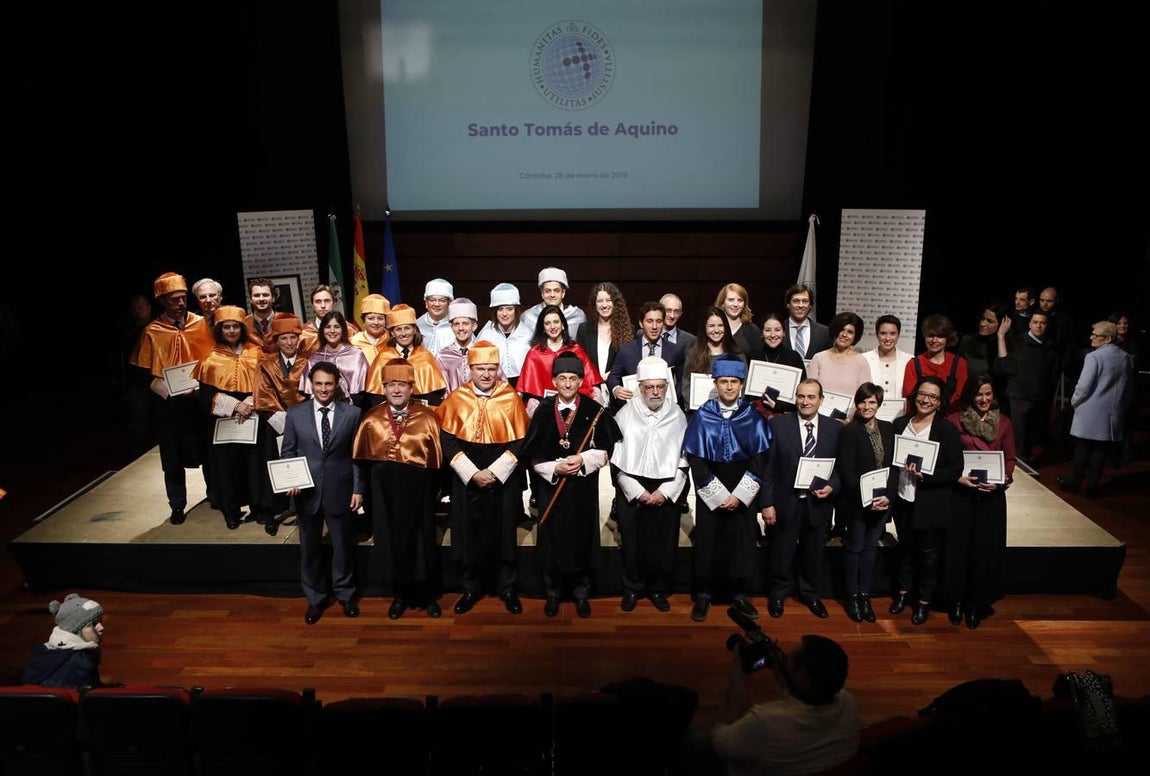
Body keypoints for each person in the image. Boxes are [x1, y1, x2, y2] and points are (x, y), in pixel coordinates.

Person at [436, 341, 531, 616]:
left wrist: (495, 472)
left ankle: (507, 588)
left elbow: (519, 441)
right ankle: (470, 588)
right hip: (467, 479)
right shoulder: (457, 398)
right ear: (470, 369)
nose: (486, 374)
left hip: (502, 480)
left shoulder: (510, 397)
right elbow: (448, 440)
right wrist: (473, 473)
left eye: (491, 368)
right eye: (480, 369)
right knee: (467, 535)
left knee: (504, 533)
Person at [522, 352, 618, 618]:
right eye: (562, 378)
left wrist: (582, 459)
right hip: (551, 489)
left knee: (582, 537)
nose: (567, 384)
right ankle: (552, 592)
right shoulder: (543, 411)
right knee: (552, 538)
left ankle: (581, 592)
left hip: (582, 489)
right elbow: (532, 456)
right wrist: (555, 468)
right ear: (553, 381)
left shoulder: (594, 411)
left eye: (573, 378)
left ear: (581, 381)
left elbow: (607, 450)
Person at [353, 358, 444, 619]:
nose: (396, 390)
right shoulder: (371, 419)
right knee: (391, 541)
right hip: (384, 491)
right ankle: (400, 595)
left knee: (423, 540)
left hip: (420, 490)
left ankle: (428, 594)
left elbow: (438, 462)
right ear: (383, 388)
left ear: (411, 388)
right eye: (391, 384)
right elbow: (361, 461)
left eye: (402, 384)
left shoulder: (428, 417)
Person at [682, 356, 771, 622]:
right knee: (708, 541)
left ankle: (739, 594)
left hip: (742, 491)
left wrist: (740, 495)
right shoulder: (702, 415)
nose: (729, 387)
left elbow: (759, 460)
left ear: (742, 384)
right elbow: (696, 458)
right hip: (711, 490)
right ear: (715, 384)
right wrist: (717, 493)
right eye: (724, 382)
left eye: (734, 382)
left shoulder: (753, 417)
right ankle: (704, 594)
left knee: (741, 542)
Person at [281, 361, 365, 624]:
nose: (323, 389)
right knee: (309, 549)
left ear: (337, 384)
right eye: (318, 383)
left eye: (328, 384)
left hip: (340, 489)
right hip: (307, 491)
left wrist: (358, 488)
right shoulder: (295, 413)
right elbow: (288, 451)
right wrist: (290, 480)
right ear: (310, 384)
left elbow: (357, 456)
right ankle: (315, 598)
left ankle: (345, 594)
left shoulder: (353, 413)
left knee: (343, 547)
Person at [703, 634, 859, 776]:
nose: (786, 659)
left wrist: (738, 675)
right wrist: (782, 669)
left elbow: (719, 741)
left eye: (790, 658)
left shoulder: (766, 722)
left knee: (697, 744)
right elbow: (806, 689)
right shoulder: (849, 703)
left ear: (803, 675)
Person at [128, 271, 214, 525]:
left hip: (199, 400)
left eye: (183, 298)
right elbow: (142, 374)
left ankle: (215, 495)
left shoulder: (201, 324)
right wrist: (166, 389)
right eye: (174, 299)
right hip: (170, 406)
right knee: (173, 457)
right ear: (162, 301)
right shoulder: (152, 332)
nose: (181, 303)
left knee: (208, 451)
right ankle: (177, 504)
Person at [611, 356, 690, 613]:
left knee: (663, 541)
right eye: (650, 387)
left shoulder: (677, 415)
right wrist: (638, 492)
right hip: (634, 490)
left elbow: (683, 462)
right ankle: (632, 588)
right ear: (640, 387)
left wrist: (664, 493)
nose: (655, 392)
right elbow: (617, 462)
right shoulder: (624, 415)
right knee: (632, 541)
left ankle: (658, 588)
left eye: (660, 387)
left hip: (665, 489)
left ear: (667, 386)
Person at [761, 378, 842, 620]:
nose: (805, 402)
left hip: (818, 503)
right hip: (786, 501)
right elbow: (768, 468)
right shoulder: (778, 424)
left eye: (811, 397)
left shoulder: (835, 428)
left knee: (813, 553)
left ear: (821, 400)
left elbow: (841, 468)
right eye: (801, 396)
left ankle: (810, 593)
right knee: (781, 551)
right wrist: (767, 503)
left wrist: (832, 486)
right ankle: (778, 594)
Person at [889, 375, 964, 625]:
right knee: (905, 549)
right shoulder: (900, 424)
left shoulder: (946, 430)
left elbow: (955, 470)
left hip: (930, 504)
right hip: (903, 499)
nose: (926, 400)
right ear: (914, 396)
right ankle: (902, 594)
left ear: (940, 402)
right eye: (922, 394)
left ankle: (923, 602)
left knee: (928, 556)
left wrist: (927, 475)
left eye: (933, 397)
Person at [945, 374, 1016, 629]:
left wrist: (1001, 480)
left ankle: (976, 602)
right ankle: (955, 600)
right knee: (957, 548)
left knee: (984, 550)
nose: (983, 399)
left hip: (991, 497)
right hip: (961, 494)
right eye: (978, 394)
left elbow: (1009, 459)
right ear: (970, 395)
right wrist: (958, 478)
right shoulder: (954, 421)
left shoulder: (1004, 422)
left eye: (988, 394)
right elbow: (948, 457)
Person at [190, 305, 263, 529]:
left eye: (235, 327)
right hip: (223, 422)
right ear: (219, 330)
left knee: (253, 465)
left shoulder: (256, 353)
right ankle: (231, 511)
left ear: (242, 329)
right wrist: (234, 406)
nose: (231, 331)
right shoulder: (210, 359)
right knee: (226, 467)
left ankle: (258, 507)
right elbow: (206, 395)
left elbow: (264, 385)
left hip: (252, 416)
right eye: (227, 327)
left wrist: (248, 404)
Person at [836, 383, 898, 623]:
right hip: (858, 502)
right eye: (862, 401)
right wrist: (866, 498)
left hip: (883, 500)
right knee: (855, 547)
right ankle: (852, 596)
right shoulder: (849, 431)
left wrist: (888, 495)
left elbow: (894, 467)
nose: (866, 406)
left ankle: (864, 595)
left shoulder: (888, 428)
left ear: (879, 404)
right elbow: (847, 472)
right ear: (856, 403)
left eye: (872, 402)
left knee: (870, 548)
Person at [1057, 321, 1135, 497]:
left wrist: (1074, 401)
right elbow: (1128, 389)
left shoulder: (1094, 357)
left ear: (1107, 339)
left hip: (1090, 411)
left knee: (1082, 449)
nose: (1091, 338)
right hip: (1112, 413)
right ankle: (1092, 486)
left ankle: (1073, 483)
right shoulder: (1126, 358)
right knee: (1100, 450)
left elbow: (1084, 386)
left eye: (1095, 335)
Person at [251, 315, 309, 535]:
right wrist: (284, 421)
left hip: (304, 422)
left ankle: (303, 509)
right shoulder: (265, 364)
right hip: (274, 423)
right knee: (275, 464)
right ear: (276, 340)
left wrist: (298, 422)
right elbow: (263, 394)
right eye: (283, 338)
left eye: (292, 337)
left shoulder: (308, 362)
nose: (288, 342)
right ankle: (274, 510)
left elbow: (313, 393)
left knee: (303, 463)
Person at [995, 310, 1060, 460]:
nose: (1038, 326)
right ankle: (1018, 463)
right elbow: (1005, 366)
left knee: (1032, 434)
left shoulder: (1051, 346)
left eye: (1042, 323)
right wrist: (1001, 336)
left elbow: (1053, 374)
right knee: (1019, 435)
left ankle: (1024, 460)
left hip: (1040, 397)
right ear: (1029, 324)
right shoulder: (1018, 342)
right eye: (1035, 322)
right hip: (1020, 396)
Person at [516, 304, 604, 412]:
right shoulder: (534, 353)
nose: (552, 326)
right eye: (547, 323)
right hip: (545, 409)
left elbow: (591, 381)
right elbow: (524, 388)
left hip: (575, 407)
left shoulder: (575, 349)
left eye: (556, 322)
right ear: (543, 328)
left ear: (562, 325)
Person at [364, 303, 448, 407]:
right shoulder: (383, 357)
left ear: (414, 330)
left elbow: (435, 394)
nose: (403, 334)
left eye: (407, 328)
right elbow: (375, 396)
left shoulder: (425, 356)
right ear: (392, 333)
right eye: (398, 329)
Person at [22, 594, 112, 690]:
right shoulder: (81, 662)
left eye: (101, 622)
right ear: (75, 630)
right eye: (93, 624)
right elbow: (89, 695)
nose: (101, 628)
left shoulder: (43, 652)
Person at [608, 300, 686, 409]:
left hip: (665, 409)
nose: (654, 326)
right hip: (634, 409)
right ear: (641, 323)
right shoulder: (626, 350)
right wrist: (616, 389)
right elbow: (613, 376)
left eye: (659, 321)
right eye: (649, 321)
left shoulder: (675, 350)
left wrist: (673, 399)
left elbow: (682, 380)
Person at [806, 311, 870, 421]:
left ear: (855, 336)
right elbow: (809, 391)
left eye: (850, 332)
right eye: (841, 330)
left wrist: (848, 420)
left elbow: (864, 396)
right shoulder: (818, 358)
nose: (844, 335)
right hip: (818, 420)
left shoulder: (861, 361)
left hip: (849, 422)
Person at [299, 311, 371, 409]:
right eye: (328, 327)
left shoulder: (357, 355)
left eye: (337, 327)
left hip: (353, 409)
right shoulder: (314, 358)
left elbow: (363, 392)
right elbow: (309, 394)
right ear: (322, 330)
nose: (332, 331)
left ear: (343, 329)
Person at [902, 313, 969, 415]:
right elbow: (909, 396)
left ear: (947, 338)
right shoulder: (914, 364)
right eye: (931, 336)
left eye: (940, 336)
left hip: (950, 417)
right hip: (920, 417)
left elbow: (960, 396)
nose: (934, 340)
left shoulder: (959, 363)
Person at [682, 307, 748, 409]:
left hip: (730, 411)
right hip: (700, 412)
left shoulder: (737, 354)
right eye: (711, 326)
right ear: (704, 328)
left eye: (720, 325)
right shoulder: (694, 354)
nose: (716, 330)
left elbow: (743, 386)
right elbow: (686, 386)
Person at [745, 312, 805, 418]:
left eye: (777, 330)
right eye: (768, 330)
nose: (773, 335)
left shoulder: (794, 357)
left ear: (784, 333)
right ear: (762, 333)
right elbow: (746, 390)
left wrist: (779, 406)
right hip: (755, 415)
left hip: (785, 416)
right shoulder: (753, 355)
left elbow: (802, 391)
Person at [575, 281, 634, 385]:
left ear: (615, 303)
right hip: (591, 387)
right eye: (600, 301)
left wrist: (612, 375)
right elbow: (579, 362)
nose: (604, 305)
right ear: (595, 304)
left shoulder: (628, 329)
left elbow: (629, 363)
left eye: (608, 300)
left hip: (617, 387)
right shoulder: (584, 329)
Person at [956, 304, 1011, 415]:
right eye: (983, 319)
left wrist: (1001, 336)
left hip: (995, 403)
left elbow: (1004, 372)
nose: (983, 324)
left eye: (990, 321)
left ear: (1001, 324)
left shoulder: (1006, 345)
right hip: (969, 400)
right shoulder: (967, 341)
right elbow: (957, 373)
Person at [476, 282, 532, 388]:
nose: (505, 314)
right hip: (493, 386)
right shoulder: (486, 334)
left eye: (509, 309)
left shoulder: (527, 334)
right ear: (495, 312)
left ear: (516, 310)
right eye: (500, 309)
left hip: (522, 385)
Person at [861, 314, 913, 419]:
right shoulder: (864, 359)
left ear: (898, 335)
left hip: (899, 418)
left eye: (892, 333)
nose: (888, 338)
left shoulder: (909, 360)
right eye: (883, 333)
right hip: (870, 417)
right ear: (877, 334)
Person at [518, 266, 587, 340]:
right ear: (542, 293)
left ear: (563, 293)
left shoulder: (577, 316)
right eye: (547, 291)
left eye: (556, 290)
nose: (552, 295)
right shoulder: (528, 317)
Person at [435, 297, 486, 395]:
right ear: (451, 327)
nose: (461, 328)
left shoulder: (484, 353)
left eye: (465, 323)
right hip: (451, 403)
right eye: (456, 324)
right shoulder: (443, 356)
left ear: (474, 326)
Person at [299, 284, 359, 360]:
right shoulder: (304, 333)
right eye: (318, 302)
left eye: (327, 301)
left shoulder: (350, 330)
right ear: (312, 305)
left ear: (334, 303)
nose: (323, 306)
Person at [783, 283, 831, 361]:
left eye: (805, 301)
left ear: (810, 305)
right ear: (788, 304)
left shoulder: (824, 333)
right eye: (796, 301)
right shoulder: (776, 331)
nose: (801, 305)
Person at [245, 277, 291, 352]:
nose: (261, 299)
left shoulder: (287, 320)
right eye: (256, 295)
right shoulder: (244, 324)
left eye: (265, 295)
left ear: (273, 298)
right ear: (250, 299)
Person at [714, 282, 760, 355]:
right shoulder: (713, 328)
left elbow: (757, 358)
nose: (735, 304)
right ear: (722, 303)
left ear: (744, 304)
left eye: (740, 300)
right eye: (731, 300)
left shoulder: (752, 330)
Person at [349, 293, 392, 364]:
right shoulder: (353, 343)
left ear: (386, 320)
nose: (376, 322)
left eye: (380, 318)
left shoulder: (392, 340)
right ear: (363, 321)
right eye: (371, 318)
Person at [417, 277, 454, 356]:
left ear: (449, 303)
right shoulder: (417, 325)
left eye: (442, 300)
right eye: (432, 300)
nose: (437, 304)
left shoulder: (457, 326)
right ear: (426, 303)